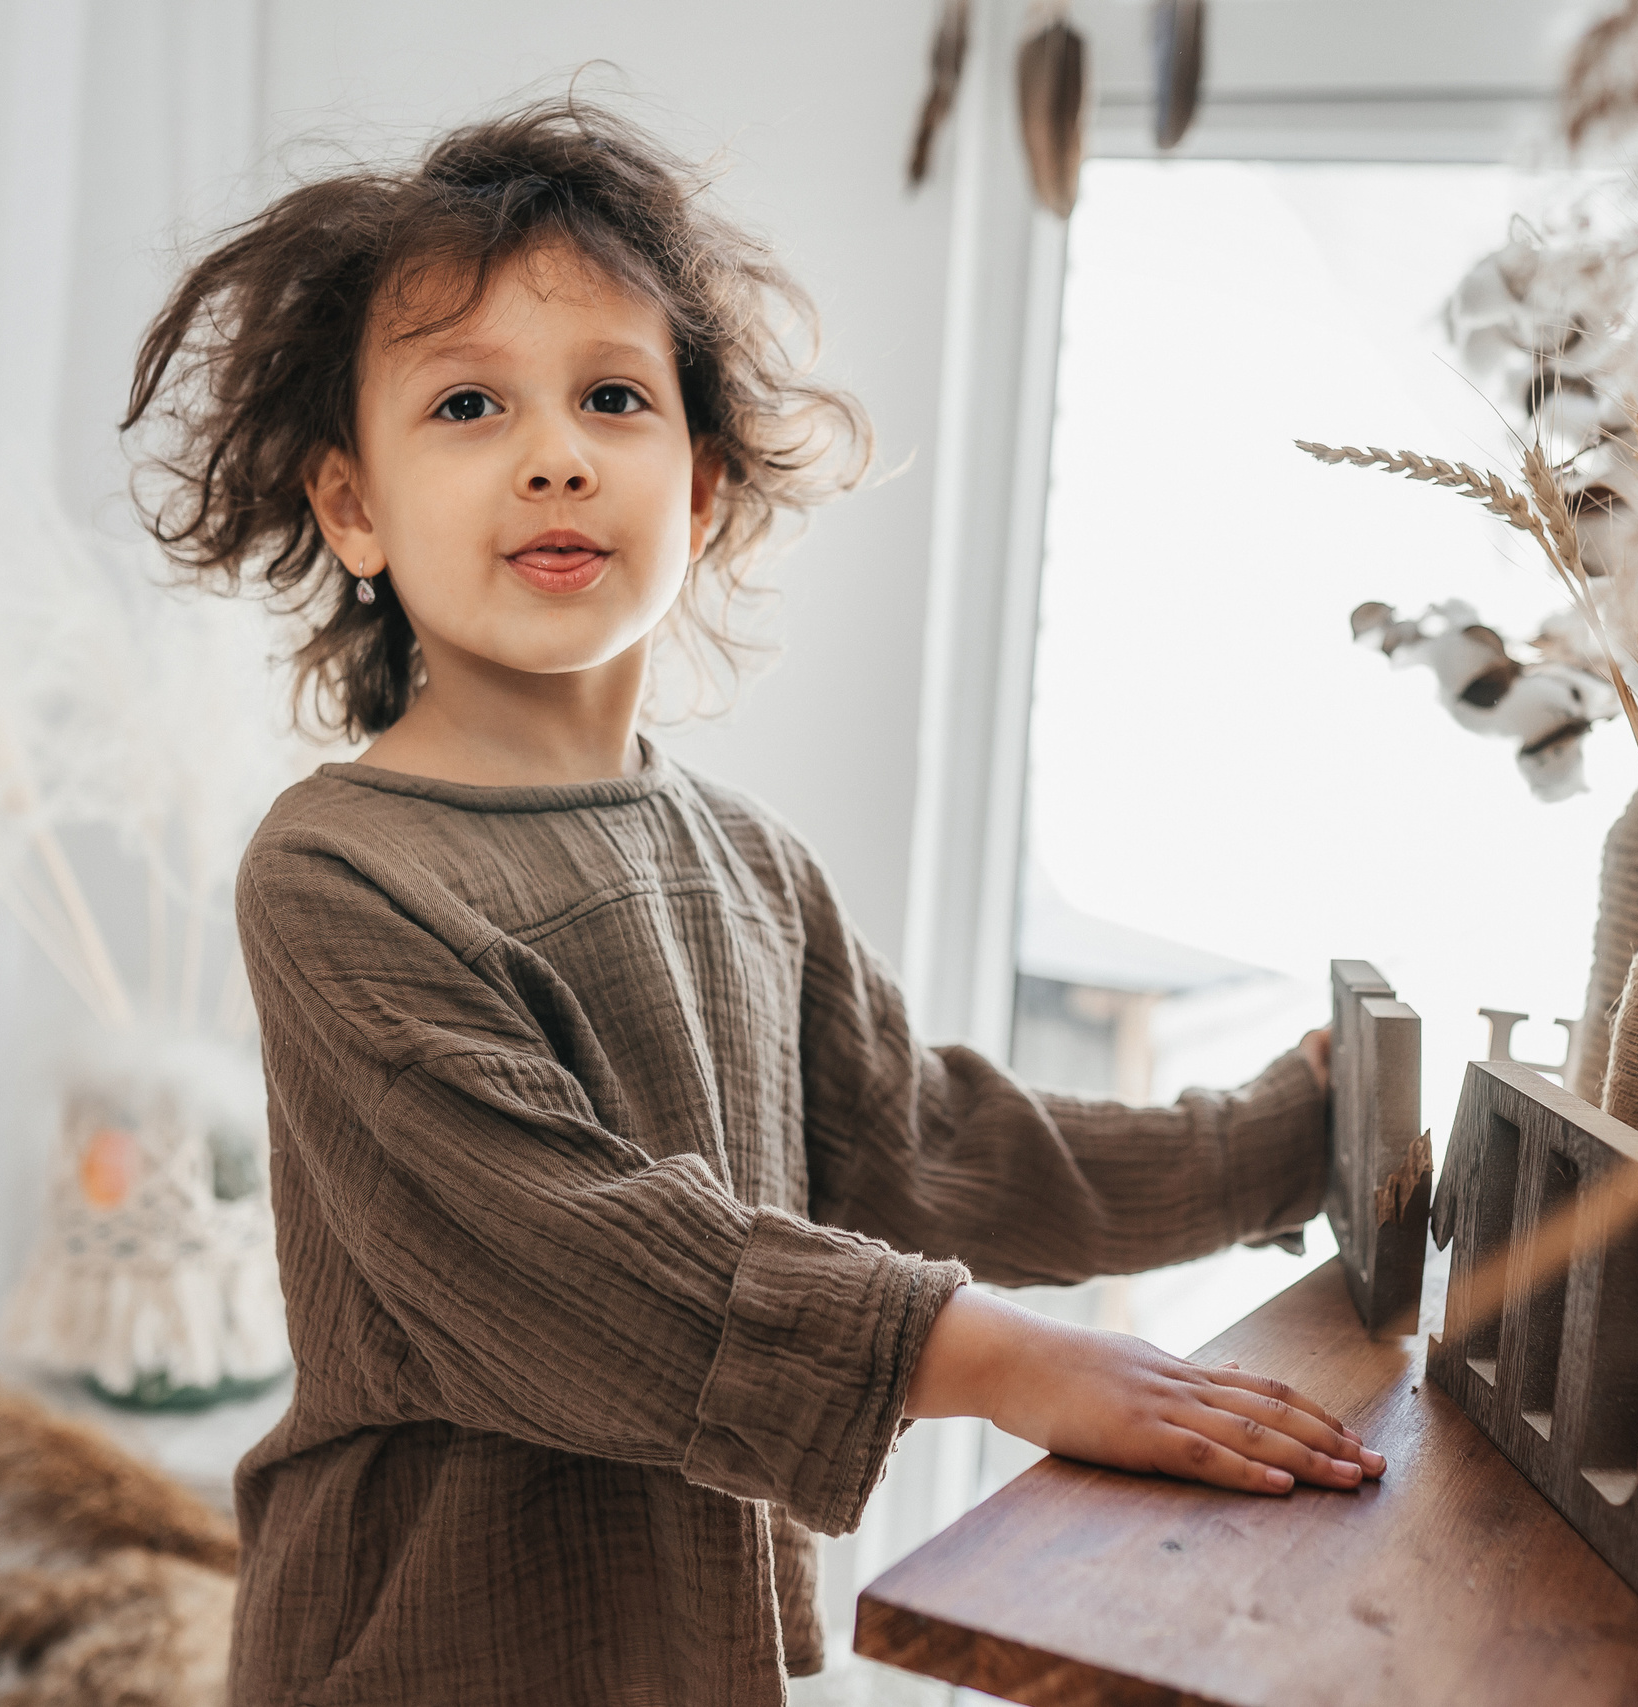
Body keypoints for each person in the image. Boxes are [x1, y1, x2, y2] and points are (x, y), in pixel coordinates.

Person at [124, 97, 1382, 1707]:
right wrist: (1012, 1362)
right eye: (465, 403)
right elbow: (583, 1263)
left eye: (612, 398)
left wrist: (1283, 1135)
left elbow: (932, 1152)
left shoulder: (747, 858)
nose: (557, 450)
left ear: (700, 489)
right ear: (353, 506)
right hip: (422, 1654)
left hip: (682, 1654)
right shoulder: (338, 874)